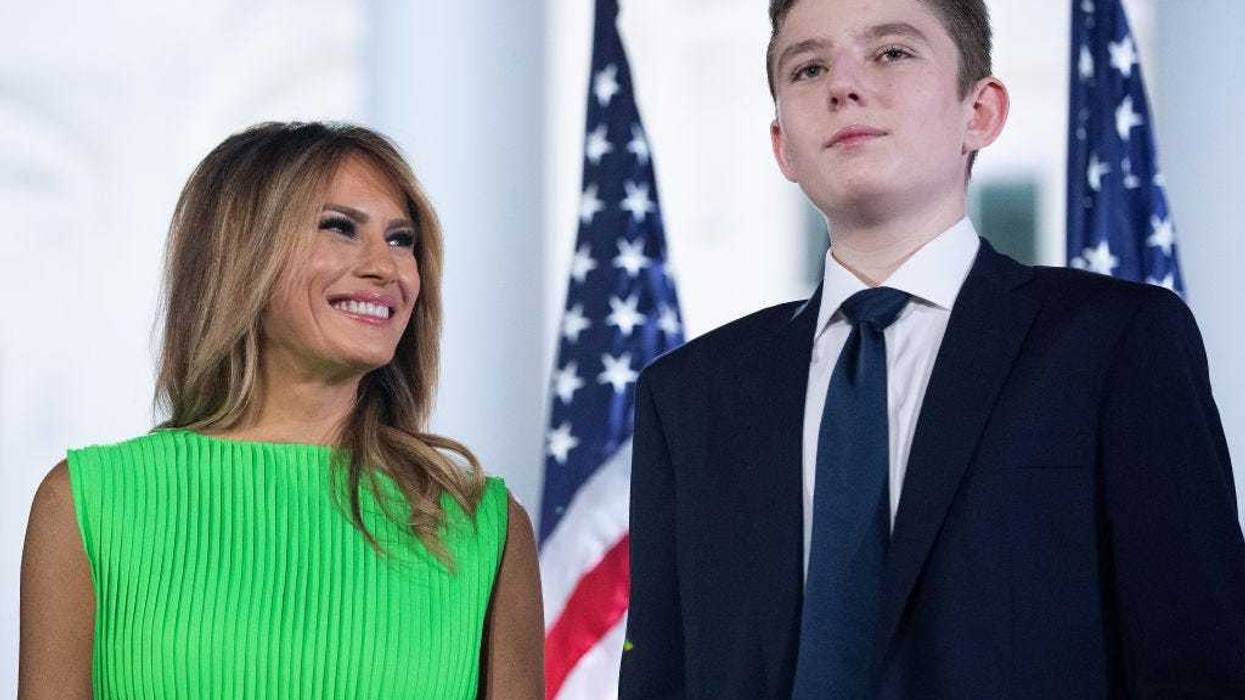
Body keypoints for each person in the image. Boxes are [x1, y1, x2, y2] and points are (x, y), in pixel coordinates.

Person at [620, 0, 1245, 697]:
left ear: (979, 112)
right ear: (783, 146)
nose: (842, 85)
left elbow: (1197, 663)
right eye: (808, 68)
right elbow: (660, 677)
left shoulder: (1115, 342)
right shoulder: (687, 395)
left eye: (891, 52)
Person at [19, 122, 544, 699]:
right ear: (240, 253)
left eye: (401, 240)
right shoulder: (89, 503)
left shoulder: (479, 524)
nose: (386, 267)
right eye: (340, 228)